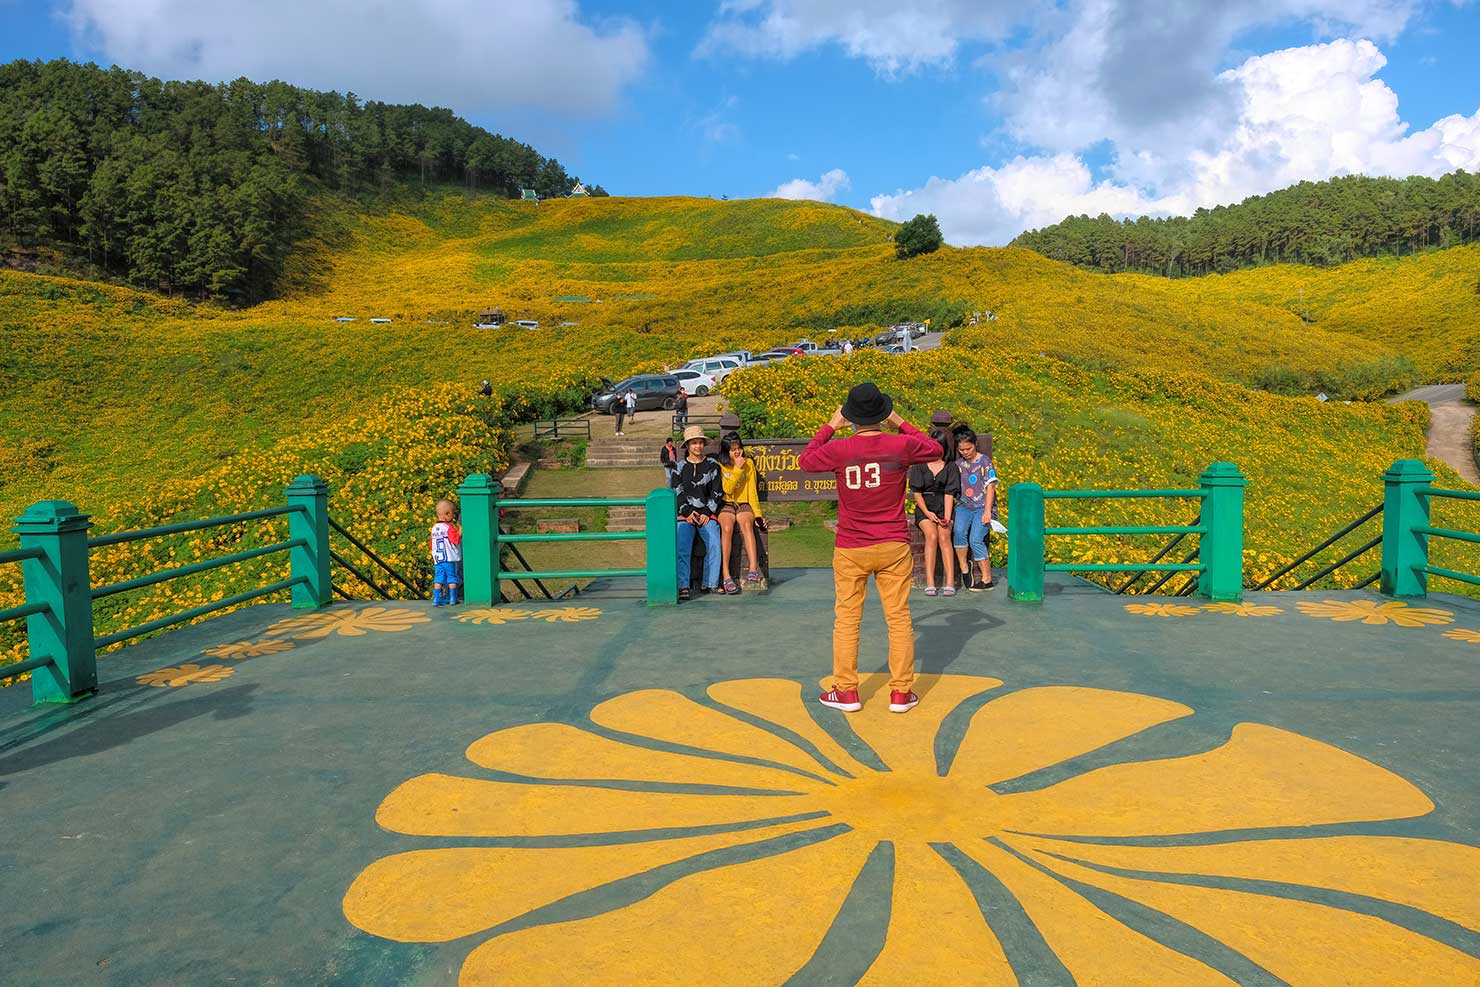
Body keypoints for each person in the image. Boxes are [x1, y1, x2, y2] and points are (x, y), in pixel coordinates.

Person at [800, 382, 940, 714]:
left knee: (847, 620)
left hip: (851, 545)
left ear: (850, 417)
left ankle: (846, 692)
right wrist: (900, 421)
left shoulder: (840, 449)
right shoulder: (900, 445)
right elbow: (934, 449)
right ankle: (901, 693)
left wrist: (829, 427)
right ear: (881, 413)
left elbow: (806, 460)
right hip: (893, 543)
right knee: (899, 618)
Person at [672, 425, 723, 600]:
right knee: (682, 546)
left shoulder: (712, 466)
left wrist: (707, 512)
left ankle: (710, 583)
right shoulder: (678, 467)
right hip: (685, 514)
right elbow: (676, 492)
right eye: (694, 443)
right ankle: (683, 585)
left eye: (700, 442)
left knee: (715, 542)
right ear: (687, 446)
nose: (698, 446)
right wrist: (687, 512)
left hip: (707, 513)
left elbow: (717, 492)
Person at [910, 426, 960, 597]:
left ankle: (950, 582)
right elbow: (916, 493)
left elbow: (949, 494)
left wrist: (946, 517)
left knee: (944, 536)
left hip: (943, 506)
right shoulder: (918, 465)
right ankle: (930, 582)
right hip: (925, 507)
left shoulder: (951, 467)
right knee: (931, 535)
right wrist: (928, 512)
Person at [952, 425, 998, 591]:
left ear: (975, 444)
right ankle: (965, 568)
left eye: (968, 448)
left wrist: (987, 511)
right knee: (958, 533)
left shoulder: (985, 462)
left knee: (976, 539)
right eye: (962, 449)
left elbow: (991, 487)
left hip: (982, 507)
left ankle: (987, 579)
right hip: (964, 506)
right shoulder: (958, 465)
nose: (965, 452)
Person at [717, 434, 764, 593]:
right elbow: (727, 489)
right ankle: (726, 574)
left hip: (744, 503)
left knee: (746, 523)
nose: (737, 452)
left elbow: (752, 492)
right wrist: (737, 468)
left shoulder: (749, 463)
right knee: (727, 527)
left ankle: (753, 569)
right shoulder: (721, 466)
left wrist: (757, 513)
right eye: (732, 450)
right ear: (726, 452)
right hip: (726, 503)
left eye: (738, 448)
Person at [430, 498, 462, 606]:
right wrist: (460, 530)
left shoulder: (434, 528)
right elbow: (455, 539)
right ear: (447, 514)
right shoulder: (449, 527)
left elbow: (431, 544)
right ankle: (453, 598)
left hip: (438, 560)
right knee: (452, 578)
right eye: (452, 514)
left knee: (438, 579)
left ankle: (436, 599)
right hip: (449, 559)